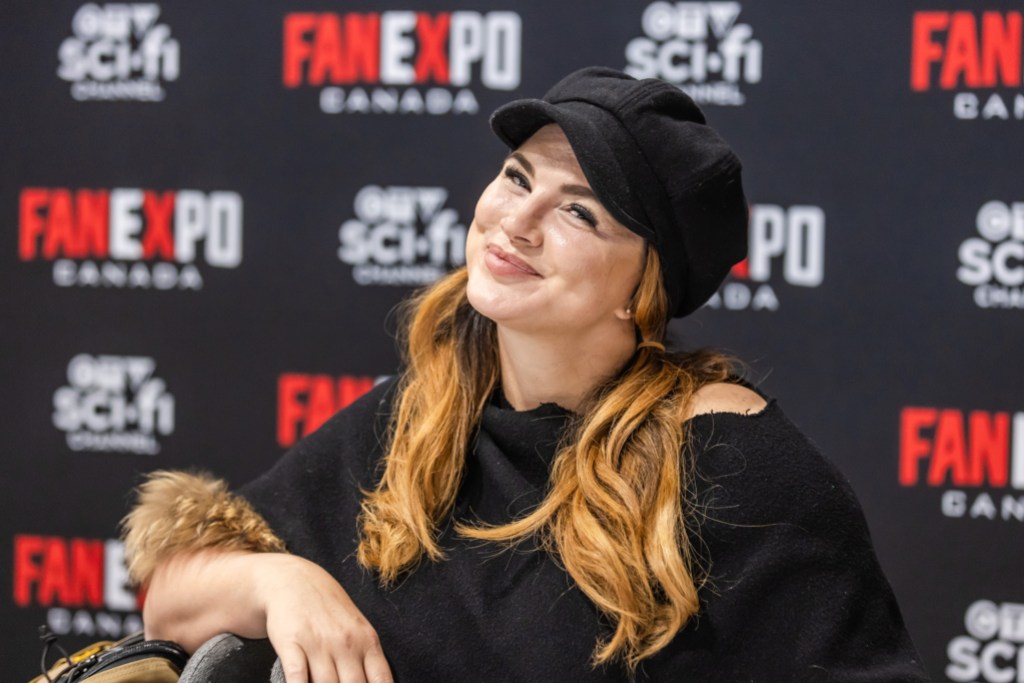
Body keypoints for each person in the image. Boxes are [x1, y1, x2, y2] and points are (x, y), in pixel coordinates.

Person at [122, 67, 930, 682]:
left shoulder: (734, 467)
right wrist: (281, 580)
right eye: (517, 176)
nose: (516, 220)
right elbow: (172, 595)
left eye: (579, 210)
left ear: (643, 291)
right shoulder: (425, 414)